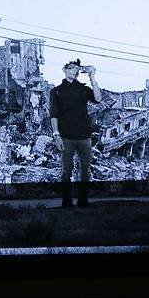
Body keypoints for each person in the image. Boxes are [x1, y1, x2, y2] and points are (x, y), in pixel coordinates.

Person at [50, 59, 102, 208]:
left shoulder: (83, 89)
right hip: (66, 137)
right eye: (71, 68)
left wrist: (92, 77)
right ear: (64, 69)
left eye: (76, 68)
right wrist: (56, 135)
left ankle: (83, 200)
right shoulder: (57, 91)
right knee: (66, 170)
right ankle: (66, 201)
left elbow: (98, 99)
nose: (74, 70)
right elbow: (54, 114)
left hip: (84, 136)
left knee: (85, 170)